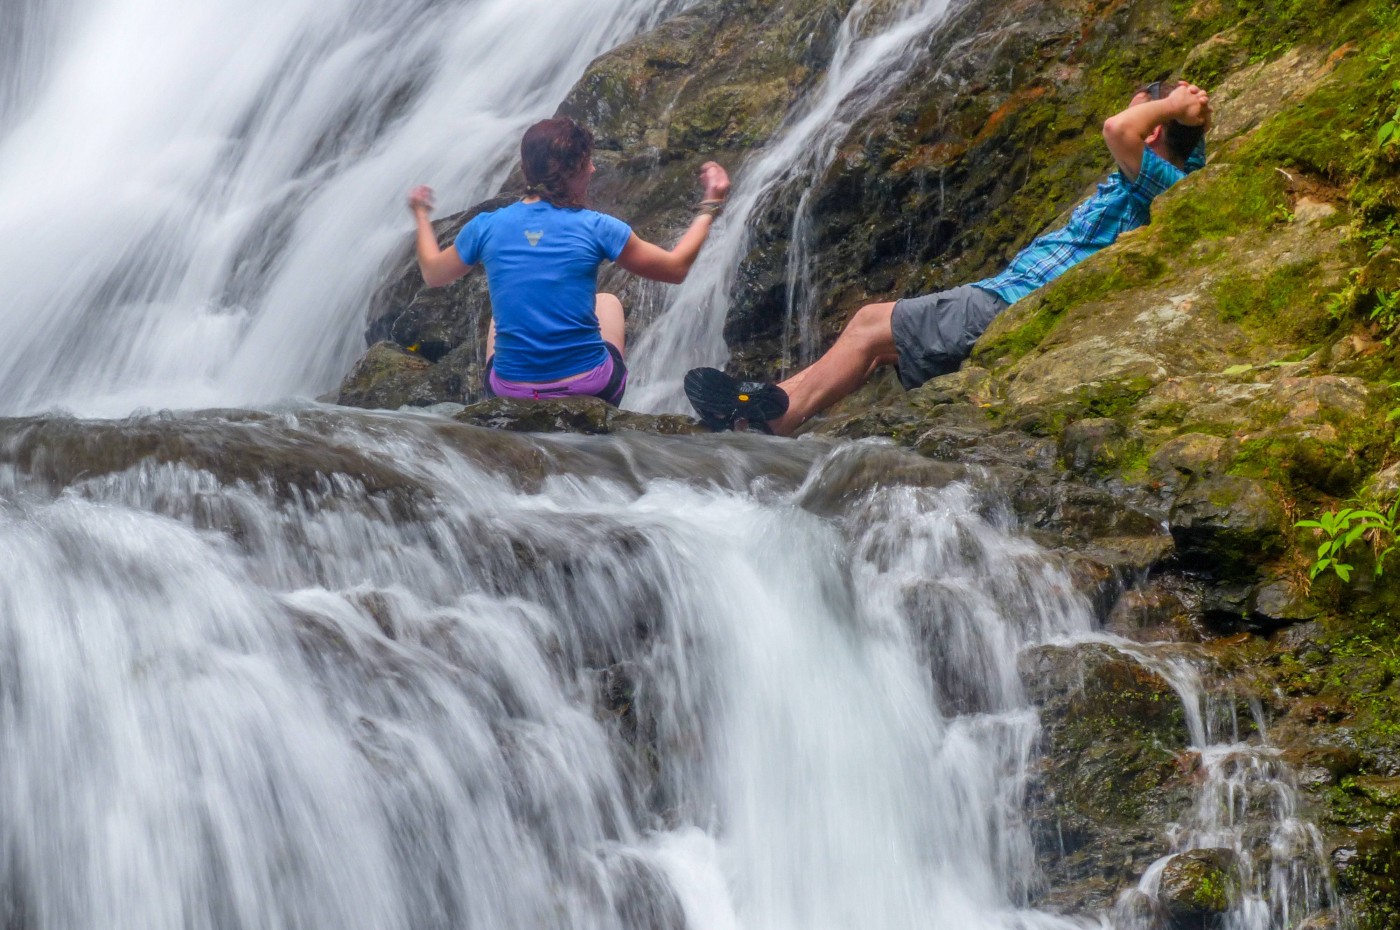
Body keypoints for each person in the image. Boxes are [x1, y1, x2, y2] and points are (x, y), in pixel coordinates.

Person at [684, 79, 1212, 435]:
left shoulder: (1161, 181)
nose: (1123, 113)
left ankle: (773, 417)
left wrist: (1168, 105)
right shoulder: (1153, 179)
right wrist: (1185, 113)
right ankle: (763, 405)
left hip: (1010, 303)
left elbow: (1120, 130)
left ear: (1155, 129)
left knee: (871, 325)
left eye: (1138, 107)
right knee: (874, 342)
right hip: (1008, 299)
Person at [409, 117, 730, 406]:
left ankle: (523, 387)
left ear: (525, 169)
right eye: (588, 161)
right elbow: (675, 269)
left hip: (509, 392)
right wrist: (710, 204)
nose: (593, 169)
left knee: (498, 318)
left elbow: (433, 273)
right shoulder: (597, 226)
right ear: (575, 168)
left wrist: (422, 216)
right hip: (590, 388)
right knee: (607, 302)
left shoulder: (486, 226)